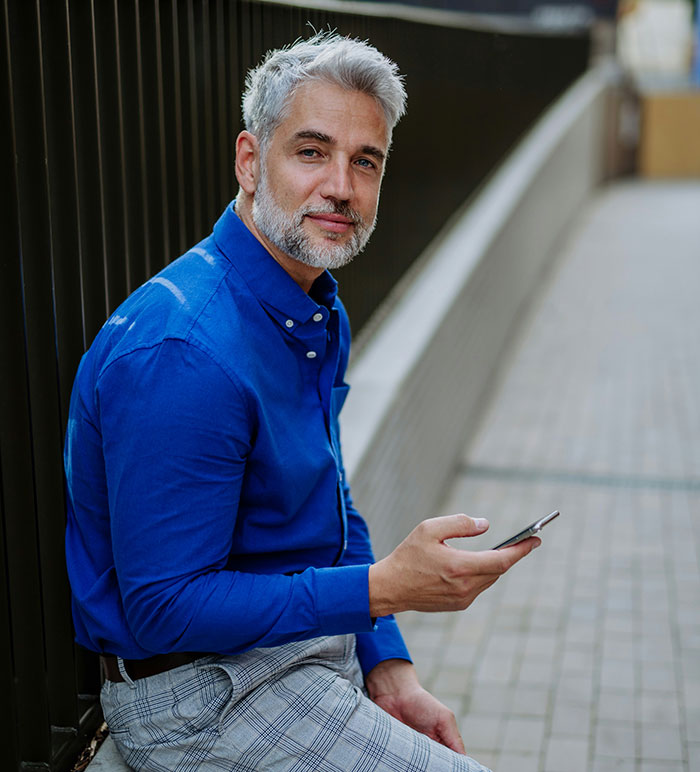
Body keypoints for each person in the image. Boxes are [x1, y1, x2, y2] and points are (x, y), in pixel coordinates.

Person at [64, 32, 539, 772]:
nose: (342, 187)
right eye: (311, 152)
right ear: (250, 162)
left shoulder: (311, 304)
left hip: (292, 654)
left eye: (365, 161)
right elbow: (161, 610)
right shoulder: (184, 353)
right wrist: (379, 589)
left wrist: (388, 660)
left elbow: (328, 495)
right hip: (196, 697)